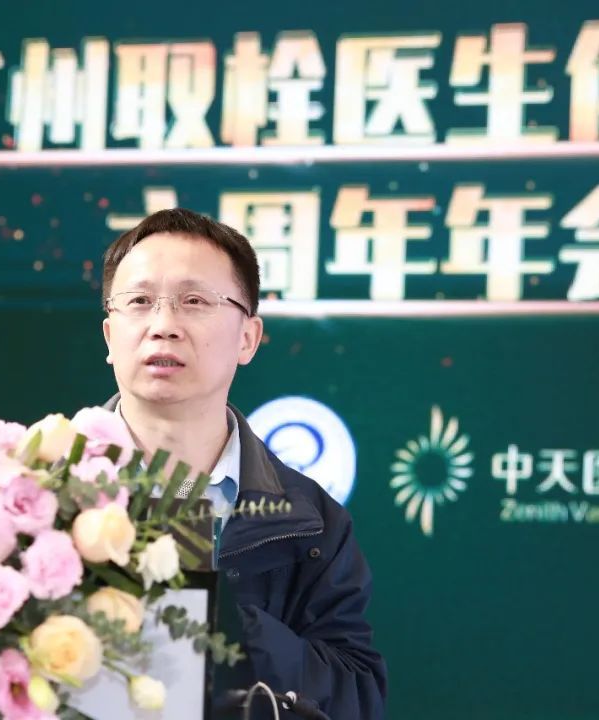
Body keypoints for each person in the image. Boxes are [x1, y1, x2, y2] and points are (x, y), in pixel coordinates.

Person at [99, 208, 386, 719]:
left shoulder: (312, 521)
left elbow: (355, 698)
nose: (163, 326)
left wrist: (225, 618)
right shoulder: (30, 485)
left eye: (194, 301)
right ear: (108, 336)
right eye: (139, 301)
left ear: (248, 338)